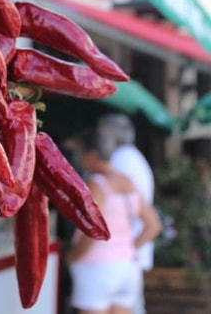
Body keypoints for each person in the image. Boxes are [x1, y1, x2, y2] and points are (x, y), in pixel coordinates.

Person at [67, 128, 162, 314]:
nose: (80, 159)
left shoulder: (96, 185)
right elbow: (154, 225)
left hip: (97, 267)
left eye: (82, 153)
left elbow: (93, 231)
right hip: (127, 267)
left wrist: (73, 256)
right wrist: (128, 248)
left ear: (93, 154)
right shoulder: (127, 182)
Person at [99, 113, 156, 314]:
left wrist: (125, 249)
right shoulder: (132, 157)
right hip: (129, 252)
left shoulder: (121, 159)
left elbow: (147, 218)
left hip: (124, 252)